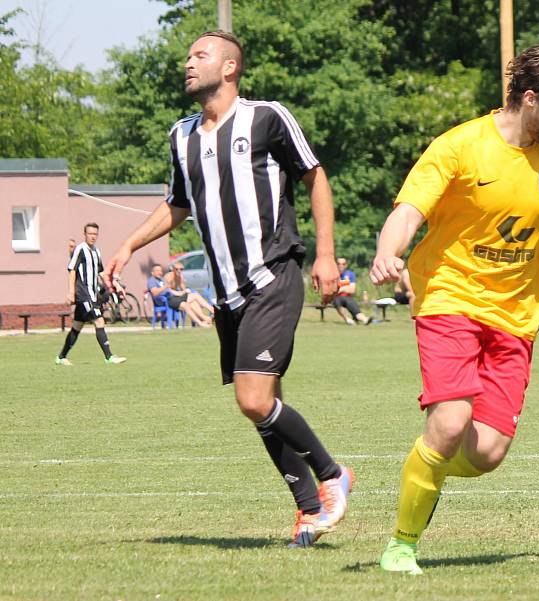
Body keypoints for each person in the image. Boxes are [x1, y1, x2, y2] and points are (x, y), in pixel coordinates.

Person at [103, 30, 352, 548]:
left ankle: (331, 476)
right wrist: (128, 245)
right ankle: (308, 510)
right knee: (265, 405)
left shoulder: (267, 117)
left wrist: (325, 254)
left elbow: (315, 177)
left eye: (200, 55)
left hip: (273, 275)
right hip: (228, 295)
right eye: (188, 55)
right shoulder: (182, 135)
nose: (188, 63)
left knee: (252, 398)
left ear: (230, 67)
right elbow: (177, 205)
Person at [369, 44, 539, 575]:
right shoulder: (459, 146)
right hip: (450, 299)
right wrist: (389, 252)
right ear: (530, 99)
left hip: (517, 317)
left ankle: (424, 463)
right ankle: (401, 545)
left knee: (488, 454)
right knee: (451, 422)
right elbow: (408, 211)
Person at [56, 223, 126, 365]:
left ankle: (61, 357)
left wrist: (114, 284)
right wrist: (71, 292)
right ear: (85, 234)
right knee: (99, 321)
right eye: (90, 234)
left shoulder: (96, 252)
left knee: (77, 326)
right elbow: (72, 269)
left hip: (92, 294)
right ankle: (109, 357)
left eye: (95, 234)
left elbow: (101, 273)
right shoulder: (80, 249)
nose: (93, 236)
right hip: (83, 294)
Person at [165, 261, 214, 327]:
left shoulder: (179, 277)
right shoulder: (168, 276)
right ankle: (202, 322)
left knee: (194, 299)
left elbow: (183, 289)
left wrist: (182, 281)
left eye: (181, 269)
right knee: (188, 304)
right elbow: (167, 290)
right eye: (177, 269)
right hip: (170, 299)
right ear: (173, 269)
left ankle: (208, 315)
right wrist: (180, 293)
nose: (179, 271)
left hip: (177, 297)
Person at [331, 257, 372, 325]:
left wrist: (340, 289)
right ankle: (347, 319)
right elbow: (332, 290)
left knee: (354, 307)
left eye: (343, 264)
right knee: (337, 302)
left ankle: (365, 319)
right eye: (339, 264)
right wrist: (346, 287)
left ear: (346, 265)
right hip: (336, 298)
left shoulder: (350, 274)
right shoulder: (333, 275)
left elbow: (352, 290)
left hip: (347, 297)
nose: (341, 265)